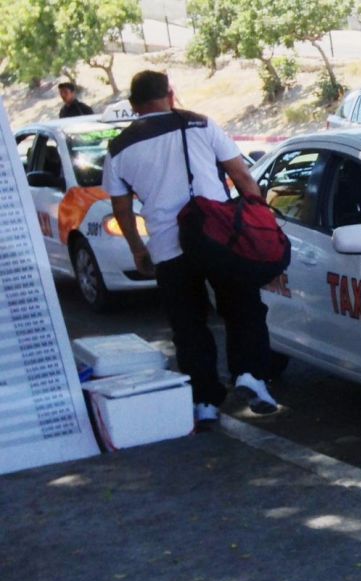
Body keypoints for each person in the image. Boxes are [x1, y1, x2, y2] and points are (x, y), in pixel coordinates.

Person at [101, 70, 279, 425]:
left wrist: (139, 249)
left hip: (169, 245)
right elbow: (242, 176)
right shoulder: (200, 124)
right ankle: (250, 375)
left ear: (134, 106)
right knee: (243, 307)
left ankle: (205, 402)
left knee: (188, 325)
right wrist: (257, 215)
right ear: (170, 94)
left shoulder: (119, 147)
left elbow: (121, 208)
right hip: (220, 237)